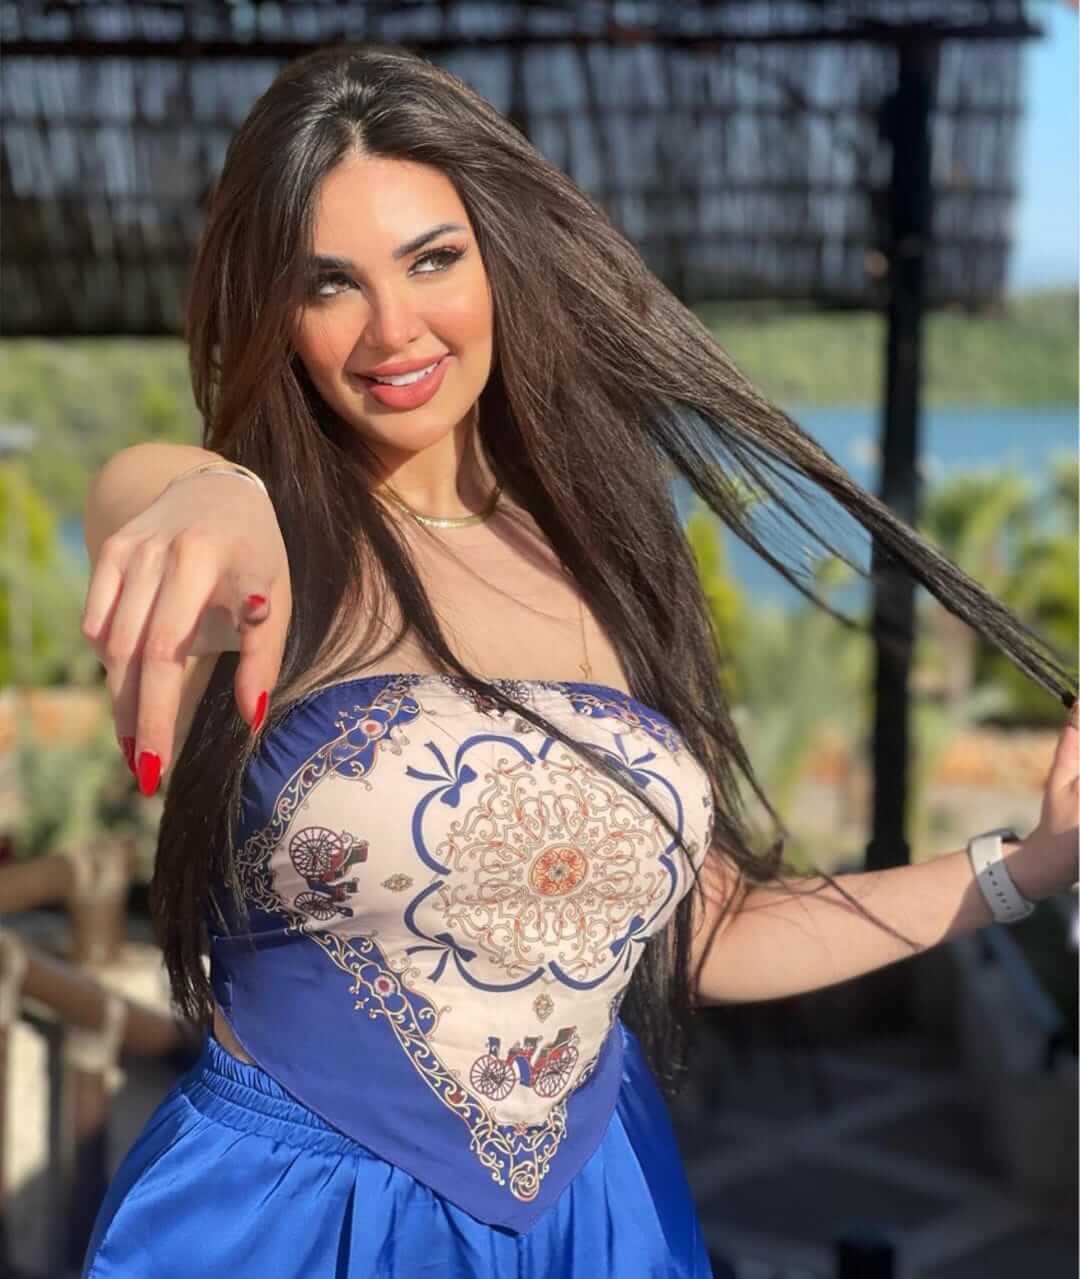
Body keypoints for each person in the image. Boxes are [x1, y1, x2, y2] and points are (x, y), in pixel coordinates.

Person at [77, 42, 1077, 1279]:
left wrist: (1027, 864)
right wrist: (199, 483)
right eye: (328, 283)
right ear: (274, 310)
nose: (393, 327)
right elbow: (135, 502)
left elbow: (711, 931)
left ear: (499, 257)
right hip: (300, 1220)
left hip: (600, 1214)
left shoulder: (606, 557)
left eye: (432, 260)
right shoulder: (261, 542)